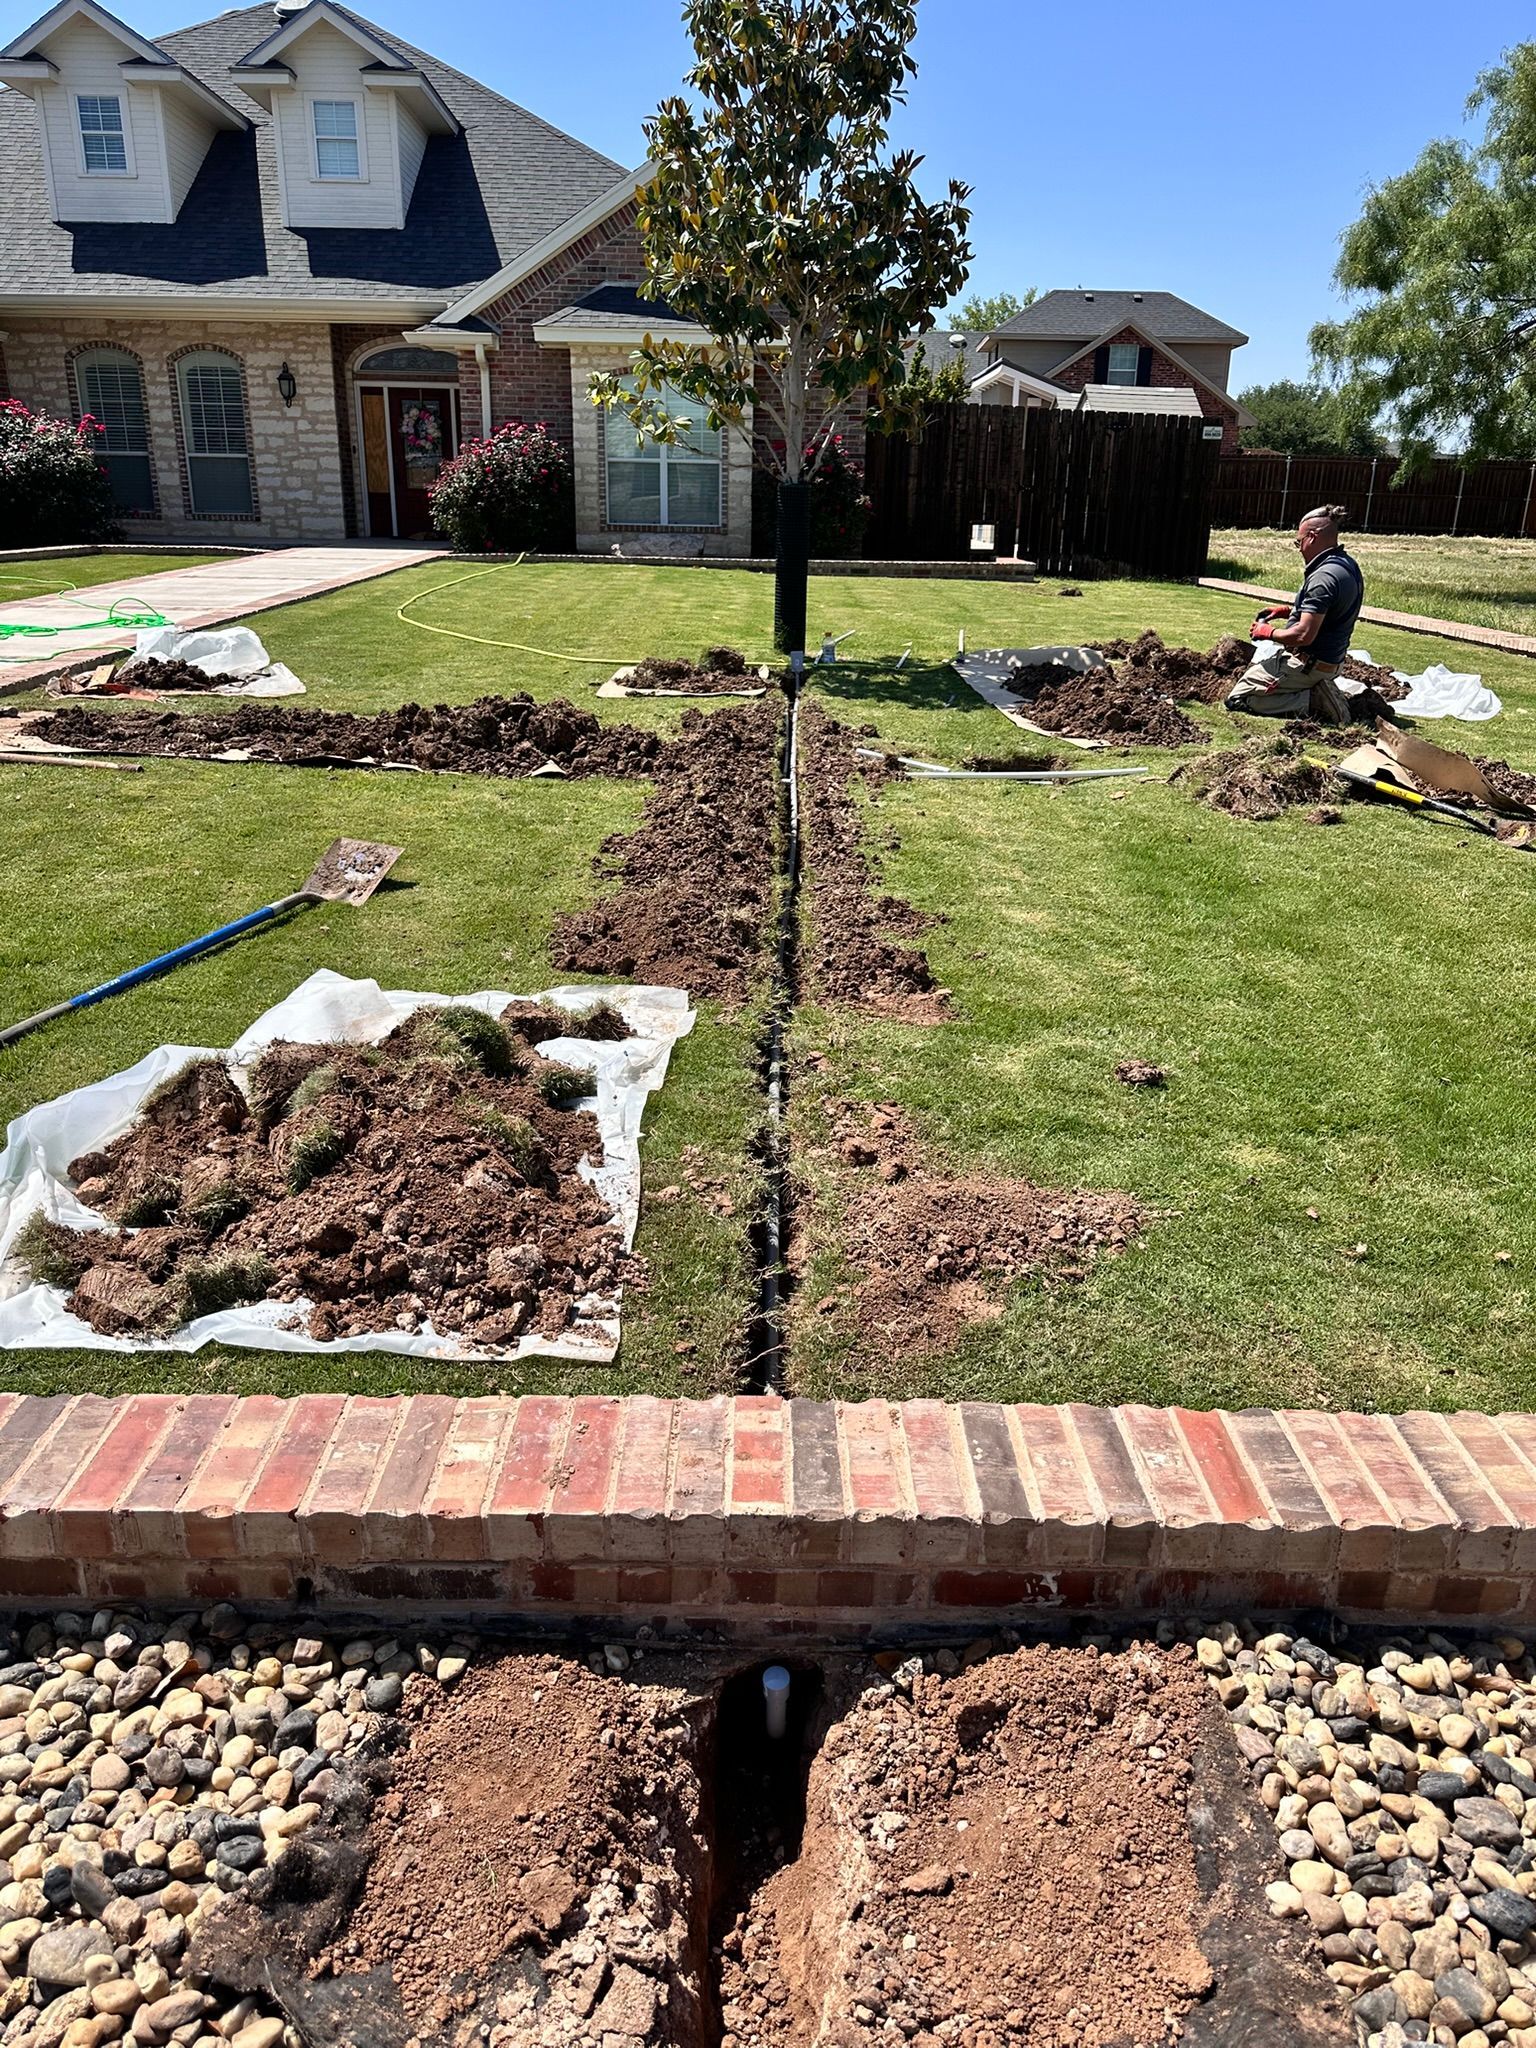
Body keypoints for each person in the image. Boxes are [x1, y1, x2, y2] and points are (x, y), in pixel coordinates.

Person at [1224, 505, 1363, 725]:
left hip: (1308, 667)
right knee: (1257, 675)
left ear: (1312, 536)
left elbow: (1303, 636)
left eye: (1298, 542)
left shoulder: (1323, 577)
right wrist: (1288, 611)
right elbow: (1327, 613)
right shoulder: (1346, 565)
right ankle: (1318, 690)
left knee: (1239, 697)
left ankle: (1313, 700)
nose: (1299, 548)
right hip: (1330, 662)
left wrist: (1267, 632)